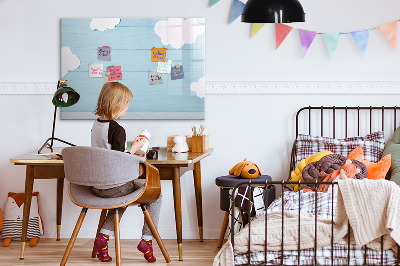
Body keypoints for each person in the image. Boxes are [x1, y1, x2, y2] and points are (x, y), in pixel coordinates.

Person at [91, 82, 161, 263]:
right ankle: (147, 240)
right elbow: (119, 161)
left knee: (121, 197)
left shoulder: (96, 125)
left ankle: (103, 238)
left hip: (97, 186)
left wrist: (130, 149)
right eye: (126, 106)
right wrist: (136, 148)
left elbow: (108, 154)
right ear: (117, 105)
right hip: (114, 186)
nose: (126, 110)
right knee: (156, 194)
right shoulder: (117, 129)